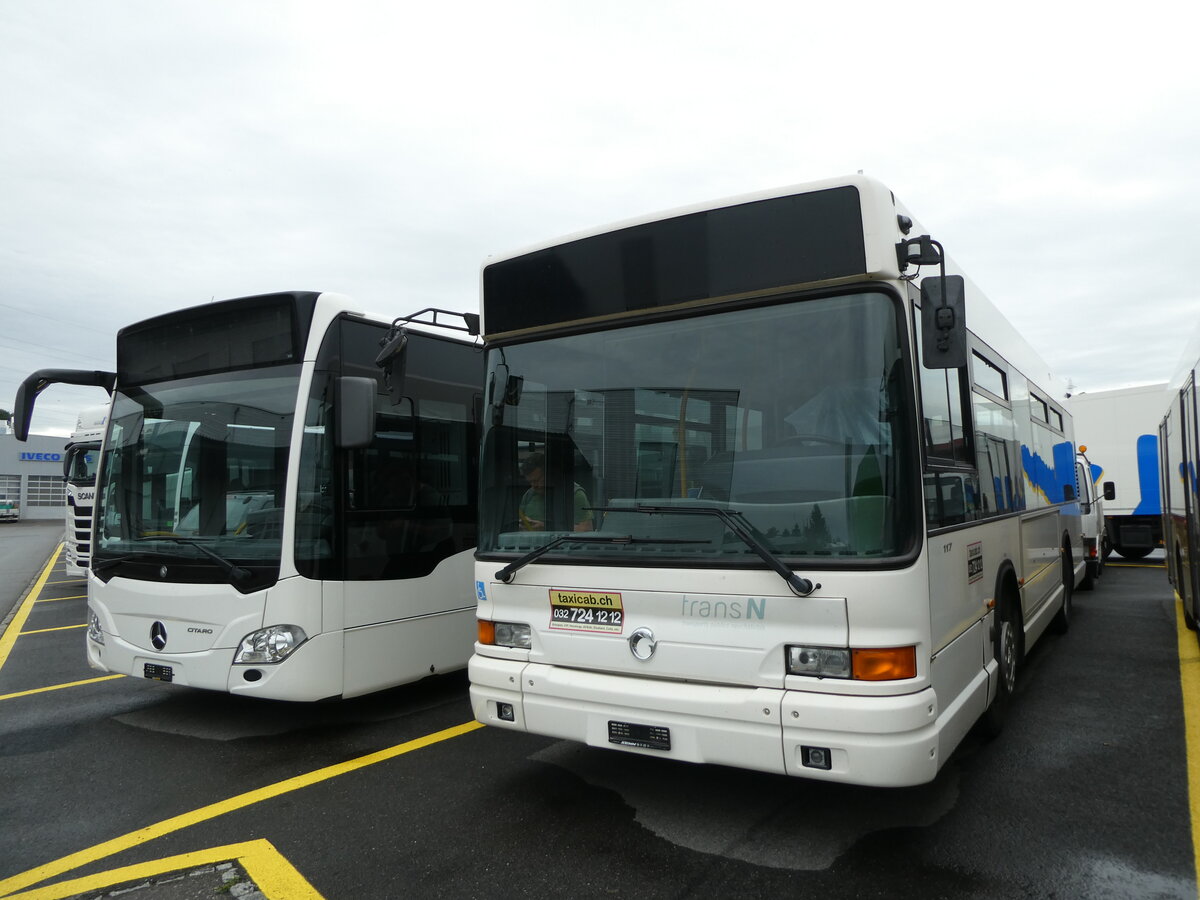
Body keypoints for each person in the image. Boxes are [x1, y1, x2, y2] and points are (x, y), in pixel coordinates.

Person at [518, 452, 593, 532]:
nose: (534, 486)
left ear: (549, 474)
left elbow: (586, 529)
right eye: (530, 482)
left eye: (537, 480)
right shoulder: (529, 495)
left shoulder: (573, 494)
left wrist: (546, 528)